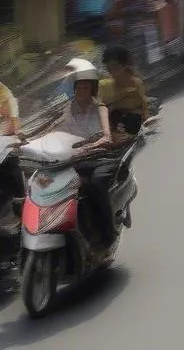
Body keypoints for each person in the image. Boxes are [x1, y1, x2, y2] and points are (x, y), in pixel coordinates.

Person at [54, 60, 116, 246]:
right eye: (79, 87)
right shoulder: (68, 108)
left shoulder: (100, 108)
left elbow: (107, 137)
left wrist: (89, 147)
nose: (82, 91)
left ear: (92, 89)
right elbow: (58, 130)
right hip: (75, 161)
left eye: (86, 88)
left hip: (99, 158)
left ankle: (108, 232)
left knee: (96, 184)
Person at [99, 45, 149, 137]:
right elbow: (100, 109)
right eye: (109, 68)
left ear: (125, 66)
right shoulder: (104, 86)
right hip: (112, 126)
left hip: (131, 125)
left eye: (115, 66)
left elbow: (143, 110)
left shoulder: (136, 84)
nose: (112, 72)